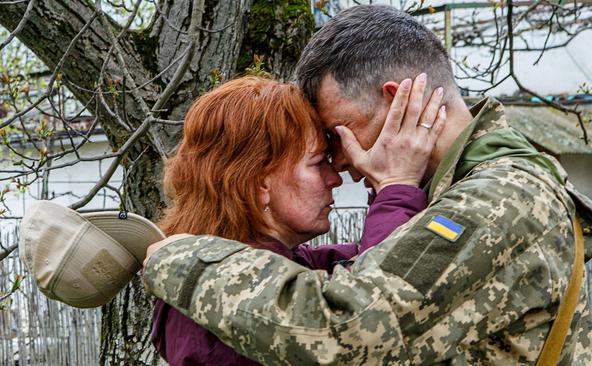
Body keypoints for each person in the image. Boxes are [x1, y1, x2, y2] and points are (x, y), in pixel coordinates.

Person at [143, 5, 592, 365]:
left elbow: (351, 326)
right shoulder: (468, 187)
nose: (343, 165)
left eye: (341, 133)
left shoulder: (494, 198)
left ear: (395, 102)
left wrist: (179, 258)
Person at [151, 75, 446, 365]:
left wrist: (392, 183)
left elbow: (371, 267)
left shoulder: (263, 269)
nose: (335, 179)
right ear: (259, 185)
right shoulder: (234, 298)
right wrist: (396, 186)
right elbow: (370, 321)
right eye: (318, 164)